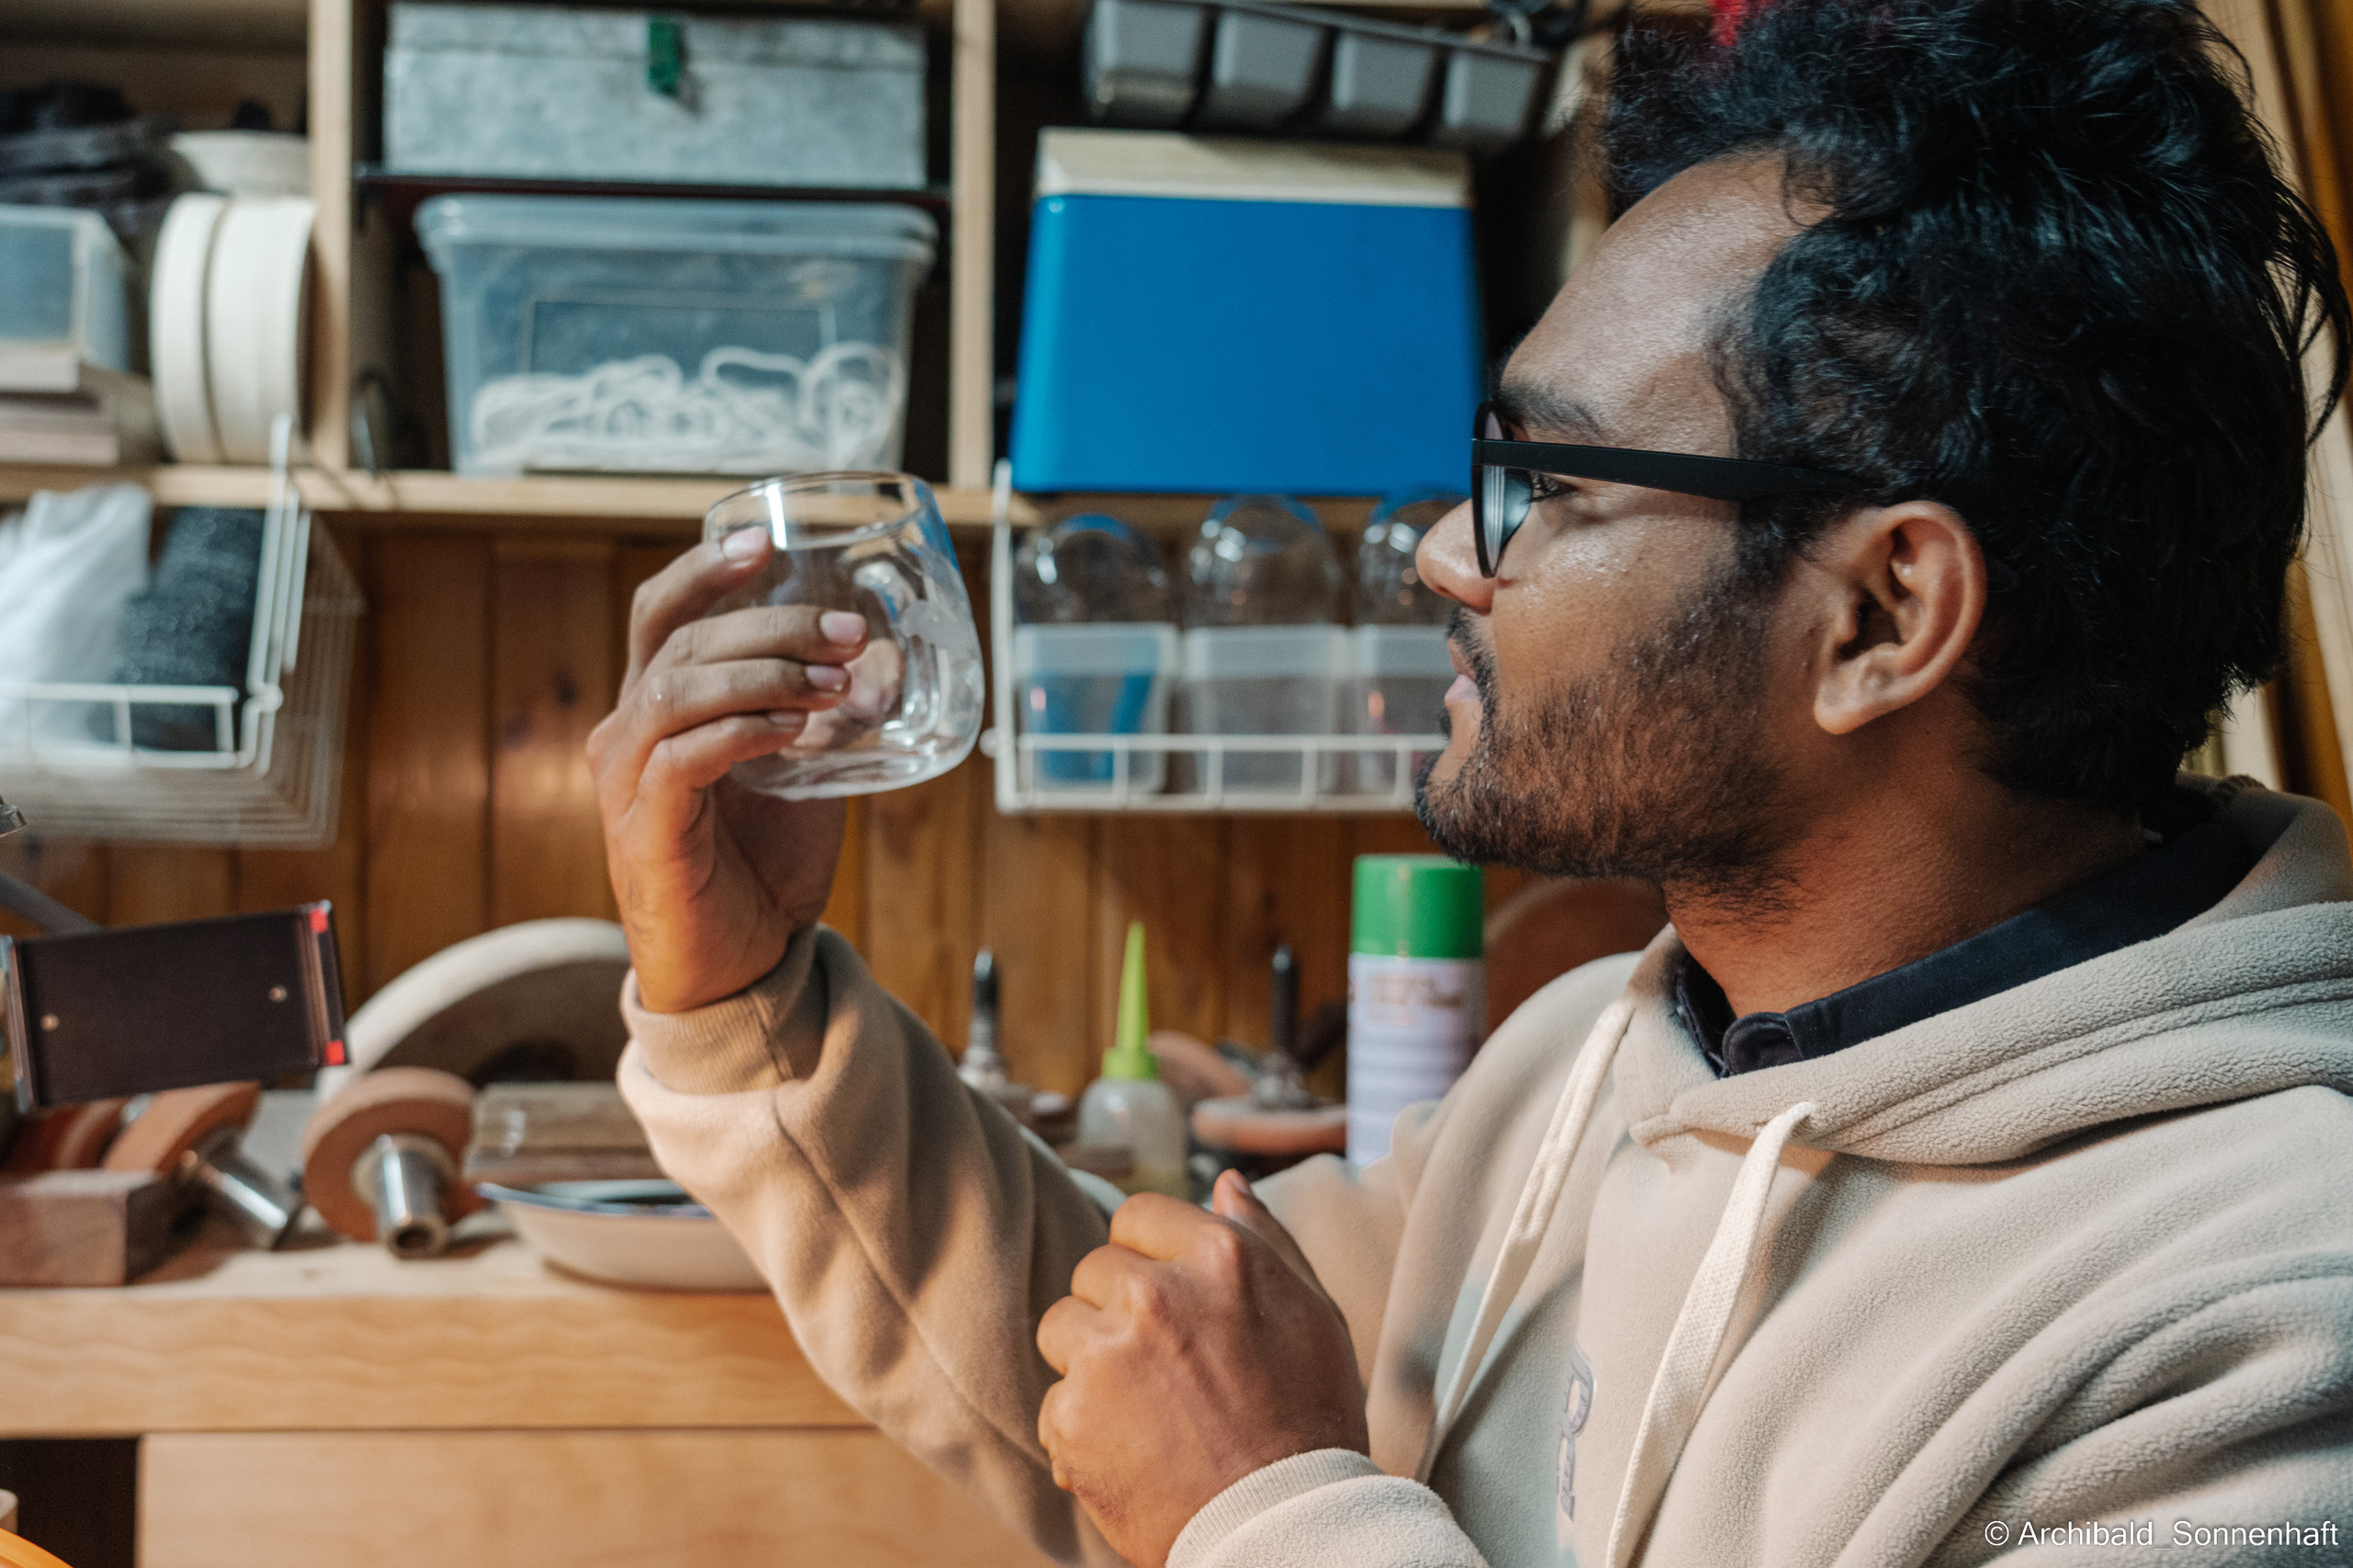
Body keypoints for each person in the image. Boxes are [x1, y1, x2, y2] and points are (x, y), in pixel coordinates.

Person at [588, 1, 2353, 1562]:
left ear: (1883, 613)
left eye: (1545, 483)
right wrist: (747, 1001)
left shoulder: (2264, 1320)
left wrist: (1272, 1511)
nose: (1445, 553)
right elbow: (1149, 1389)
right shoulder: (1580, 1064)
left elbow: (1240, 1479)